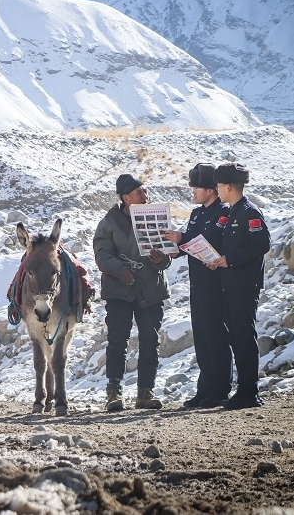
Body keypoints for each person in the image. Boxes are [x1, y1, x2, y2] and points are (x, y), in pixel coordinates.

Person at [93, 174, 171, 411]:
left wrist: (161, 260)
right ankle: (114, 392)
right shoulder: (109, 222)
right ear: (126, 198)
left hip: (150, 286)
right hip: (119, 289)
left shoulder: (156, 217)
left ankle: (146, 392)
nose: (145, 195)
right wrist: (119, 270)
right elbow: (102, 254)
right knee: (117, 340)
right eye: (140, 192)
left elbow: (167, 251)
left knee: (150, 339)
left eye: (145, 191)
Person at [163, 163, 232, 408]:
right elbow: (191, 243)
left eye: (196, 188)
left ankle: (220, 390)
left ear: (210, 190)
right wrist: (175, 248)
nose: (192, 192)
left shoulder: (224, 212)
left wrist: (183, 239)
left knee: (216, 337)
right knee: (202, 338)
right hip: (198, 284)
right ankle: (204, 389)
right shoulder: (196, 214)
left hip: (217, 284)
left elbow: (211, 240)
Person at [210, 162, 271, 409]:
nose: (217, 191)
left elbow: (261, 245)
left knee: (244, 336)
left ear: (227, 187)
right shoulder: (232, 211)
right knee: (236, 336)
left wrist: (230, 260)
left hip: (244, 285)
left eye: (218, 186)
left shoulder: (249, 212)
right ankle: (244, 389)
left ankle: (249, 391)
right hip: (230, 283)